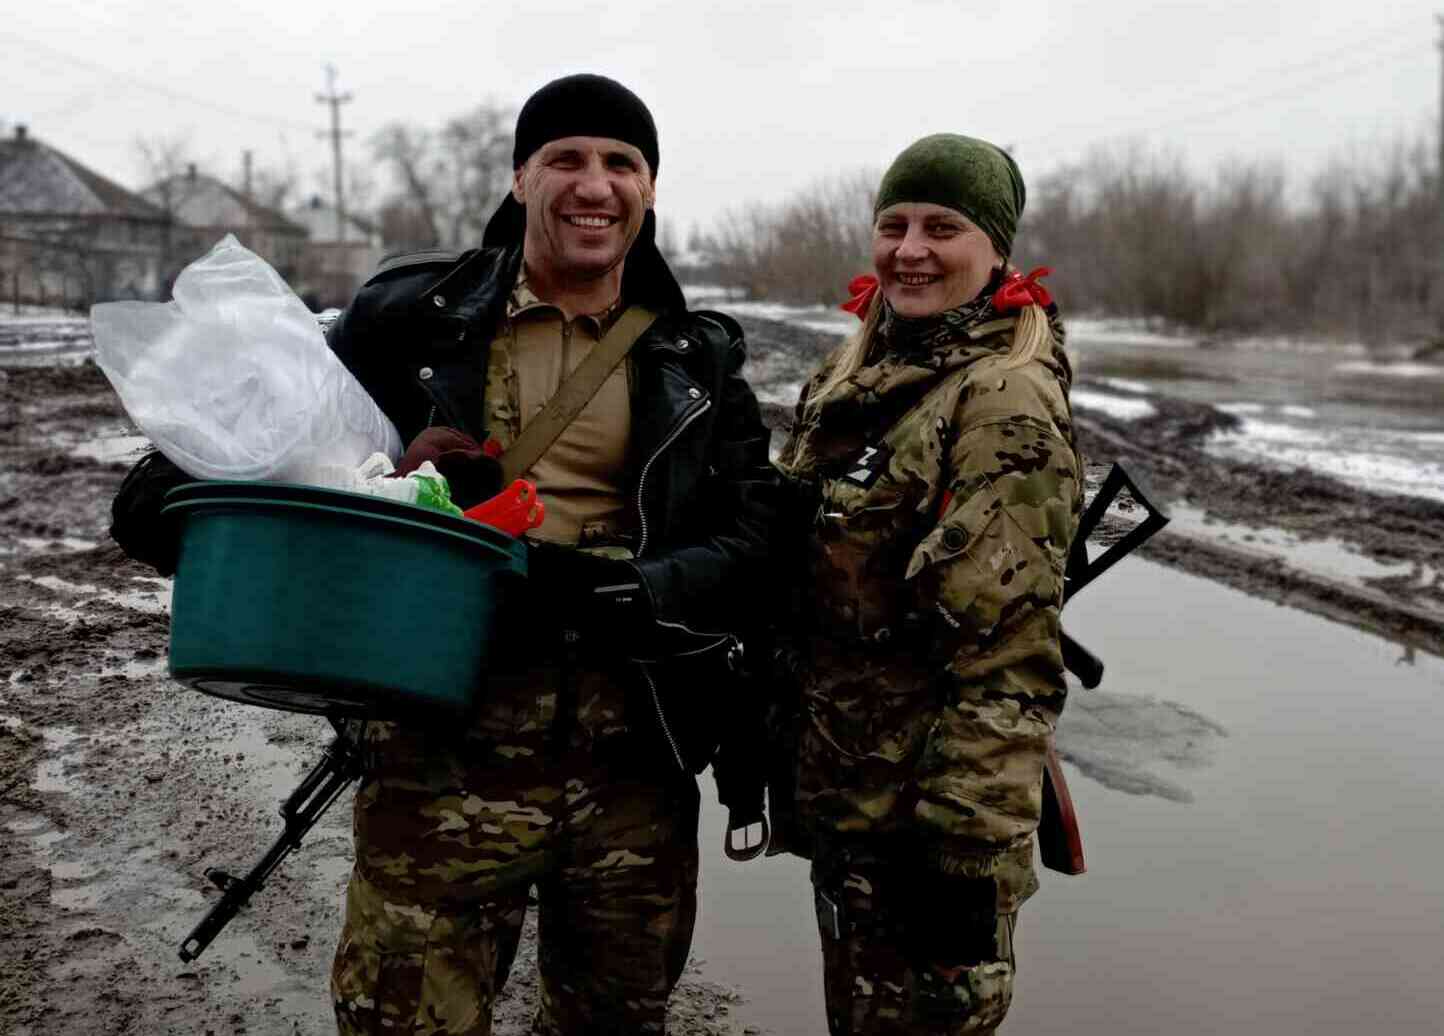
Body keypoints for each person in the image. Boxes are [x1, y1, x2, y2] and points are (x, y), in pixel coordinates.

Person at [111, 73, 778, 1035]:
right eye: (567, 159)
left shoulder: (694, 354)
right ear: (520, 178)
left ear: (651, 189)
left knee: (617, 1019)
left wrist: (640, 590)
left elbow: (756, 537)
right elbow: (293, 425)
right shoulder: (418, 315)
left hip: (636, 760)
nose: (595, 184)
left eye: (622, 163)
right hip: (441, 743)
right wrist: (184, 490)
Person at [773, 133, 1082, 1035]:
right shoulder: (858, 372)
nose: (910, 249)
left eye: (941, 226)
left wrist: (963, 857)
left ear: (995, 250)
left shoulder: (1003, 396)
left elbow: (1010, 659)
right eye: (893, 224)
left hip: (928, 831)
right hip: (855, 800)